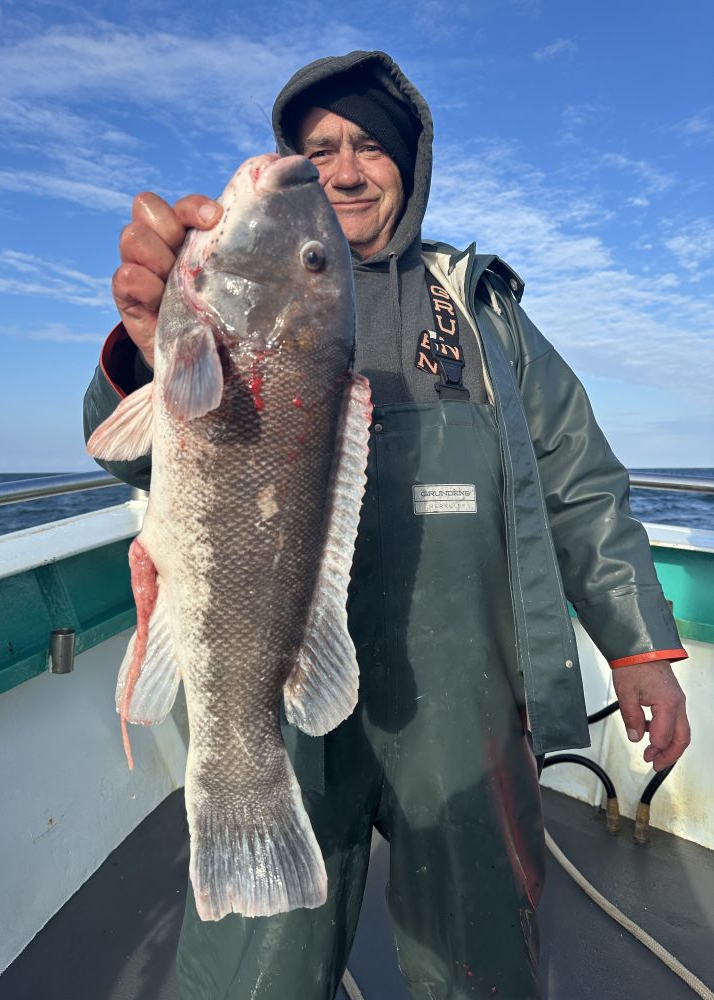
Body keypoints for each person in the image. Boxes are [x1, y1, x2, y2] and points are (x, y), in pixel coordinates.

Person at [84, 50, 690, 1000]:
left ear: (411, 160)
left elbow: (581, 481)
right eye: (319, 148)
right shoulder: (222, 296)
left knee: (482, 952)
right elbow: (128, 450)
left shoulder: (480, 310)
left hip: (462, 700)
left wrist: (640, 648)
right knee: (259, 964)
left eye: (371, 145)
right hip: (288, 693)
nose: (346, 169)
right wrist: (142, 342)